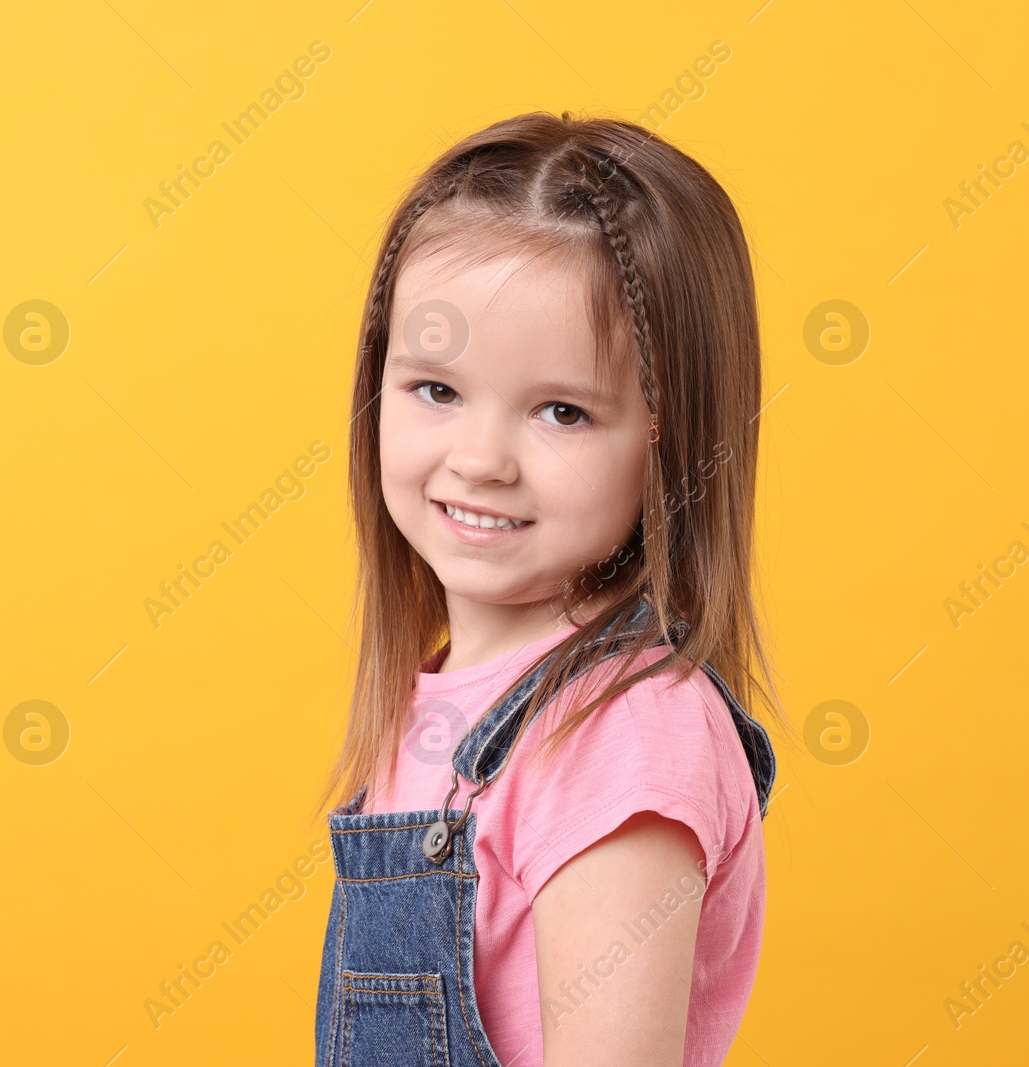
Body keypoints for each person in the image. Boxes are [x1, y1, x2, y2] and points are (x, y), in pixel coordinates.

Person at [313, 111, 786, 1067]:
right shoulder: (441, 696)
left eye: (561, 410)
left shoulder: (624, 731)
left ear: (671, 437)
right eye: (436, 390)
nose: (480, 460)